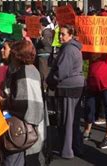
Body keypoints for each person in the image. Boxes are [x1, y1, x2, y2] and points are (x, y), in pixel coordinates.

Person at [0, 40, 44, 166]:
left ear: (18, 56)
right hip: (29, 125)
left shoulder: (22, 72)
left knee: (12, 159)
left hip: (20, 126)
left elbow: (22, 103)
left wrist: (3, 101)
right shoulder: (32, 70)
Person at [46, 24, 84, 159]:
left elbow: (62, 71)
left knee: (67, 120)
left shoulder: (68, 49)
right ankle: (76, 146)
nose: (60, 36)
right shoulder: (72, 48)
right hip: (74, 87)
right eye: (59, 34)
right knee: (73, 119)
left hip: (68, 88)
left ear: (70, 35)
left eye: (63, 34)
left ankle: (67, 150)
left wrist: (50, 81)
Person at [35, 17, 54, 83]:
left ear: (41, 24)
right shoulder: (46, 31)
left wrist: (41, 36)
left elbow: (46, 43)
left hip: (44, 54)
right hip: (43, 54)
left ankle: (45, 88)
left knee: (43, 72)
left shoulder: (46, 32)